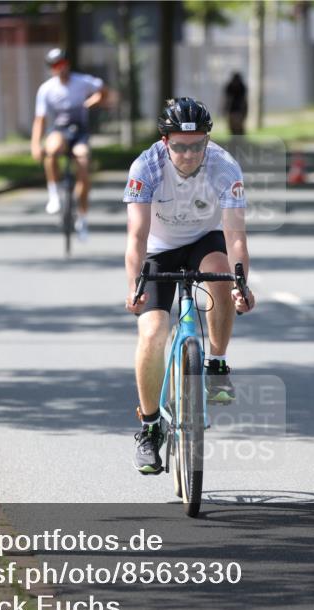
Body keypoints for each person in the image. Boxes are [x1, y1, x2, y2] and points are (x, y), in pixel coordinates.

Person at [122, 97, 256, 475]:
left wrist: (241, 281)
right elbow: (136, 236)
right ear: (165, 142)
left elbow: (236, 236)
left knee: (222, 273)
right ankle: (149, 429)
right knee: (152, 333)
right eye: (180, 146)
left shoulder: (224, 166)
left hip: (204, 238)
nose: (189, 154)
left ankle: (216, 361)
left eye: (198, 145)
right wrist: (135, 286)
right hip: (159, 248)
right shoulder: (145, 167)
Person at [31, 48, 106, 241]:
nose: (61, 68)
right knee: (52, 149)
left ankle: (82, 218)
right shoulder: (46, 89)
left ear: (68, 64)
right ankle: (54, 193)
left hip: (80, 132)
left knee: (83, 162)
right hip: (59, 130)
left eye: (63, 64)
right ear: (51, 69)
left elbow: (102, 89)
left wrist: (92, 101)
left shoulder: (82, 82)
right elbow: (40, 120)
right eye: (56, 66)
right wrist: (35, 144)